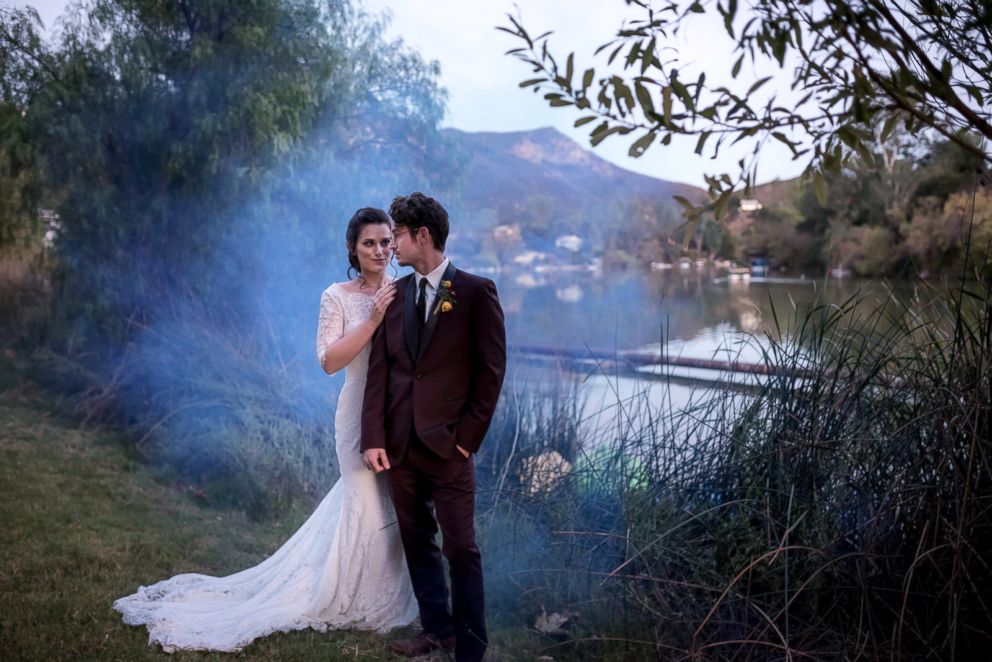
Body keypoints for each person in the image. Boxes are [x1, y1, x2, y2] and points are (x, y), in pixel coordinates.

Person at [113, 207, 417, 652]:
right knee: (363, 503)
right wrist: (371, 319)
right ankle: (353, 600)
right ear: (352, 248)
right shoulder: (336, 296)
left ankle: (392, 596)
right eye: (368, 242)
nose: (378, 250)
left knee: (394, 504)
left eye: (385, 241)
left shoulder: (406, 290)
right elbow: (329, 362)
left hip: (399, 415)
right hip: (356, 413)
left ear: (395, 244)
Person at [361, 192, 506, 662]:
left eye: (397, 236)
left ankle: (470, 648)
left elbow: (490, 374)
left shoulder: (476, 291)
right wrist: (375, 439)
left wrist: (466, 442)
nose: (390, 248)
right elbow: (380, 372)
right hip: (400, 445)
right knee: (416, 540)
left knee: (461, 548)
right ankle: (436, 631)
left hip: (449, 448)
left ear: (422, 235)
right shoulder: (394, 295)